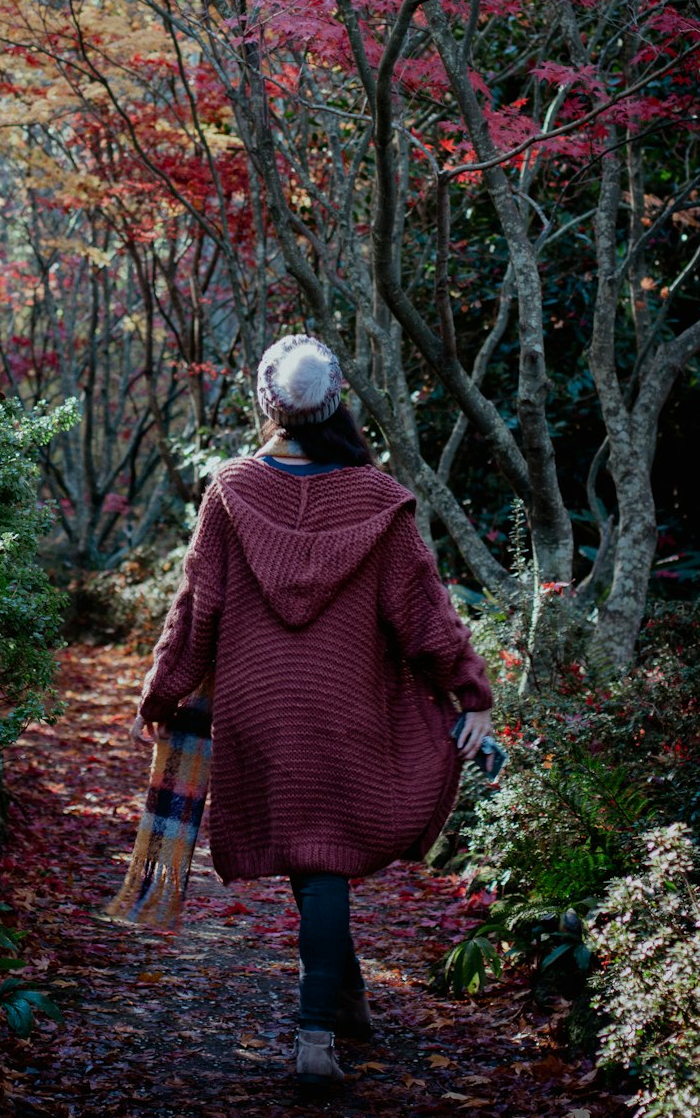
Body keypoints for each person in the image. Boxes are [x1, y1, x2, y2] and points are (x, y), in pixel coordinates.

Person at [129, 334, 494, 1086]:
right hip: (347, 705)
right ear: (338, 403)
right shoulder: (379, 500)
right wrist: (469, 692)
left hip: (260, 709)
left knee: (313, 862)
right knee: (322, 861)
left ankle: (346, 1001)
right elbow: (423, 613)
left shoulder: (230, 490)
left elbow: (197, 607)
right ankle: (315, 1033)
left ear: (269, 405)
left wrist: (162, 692)